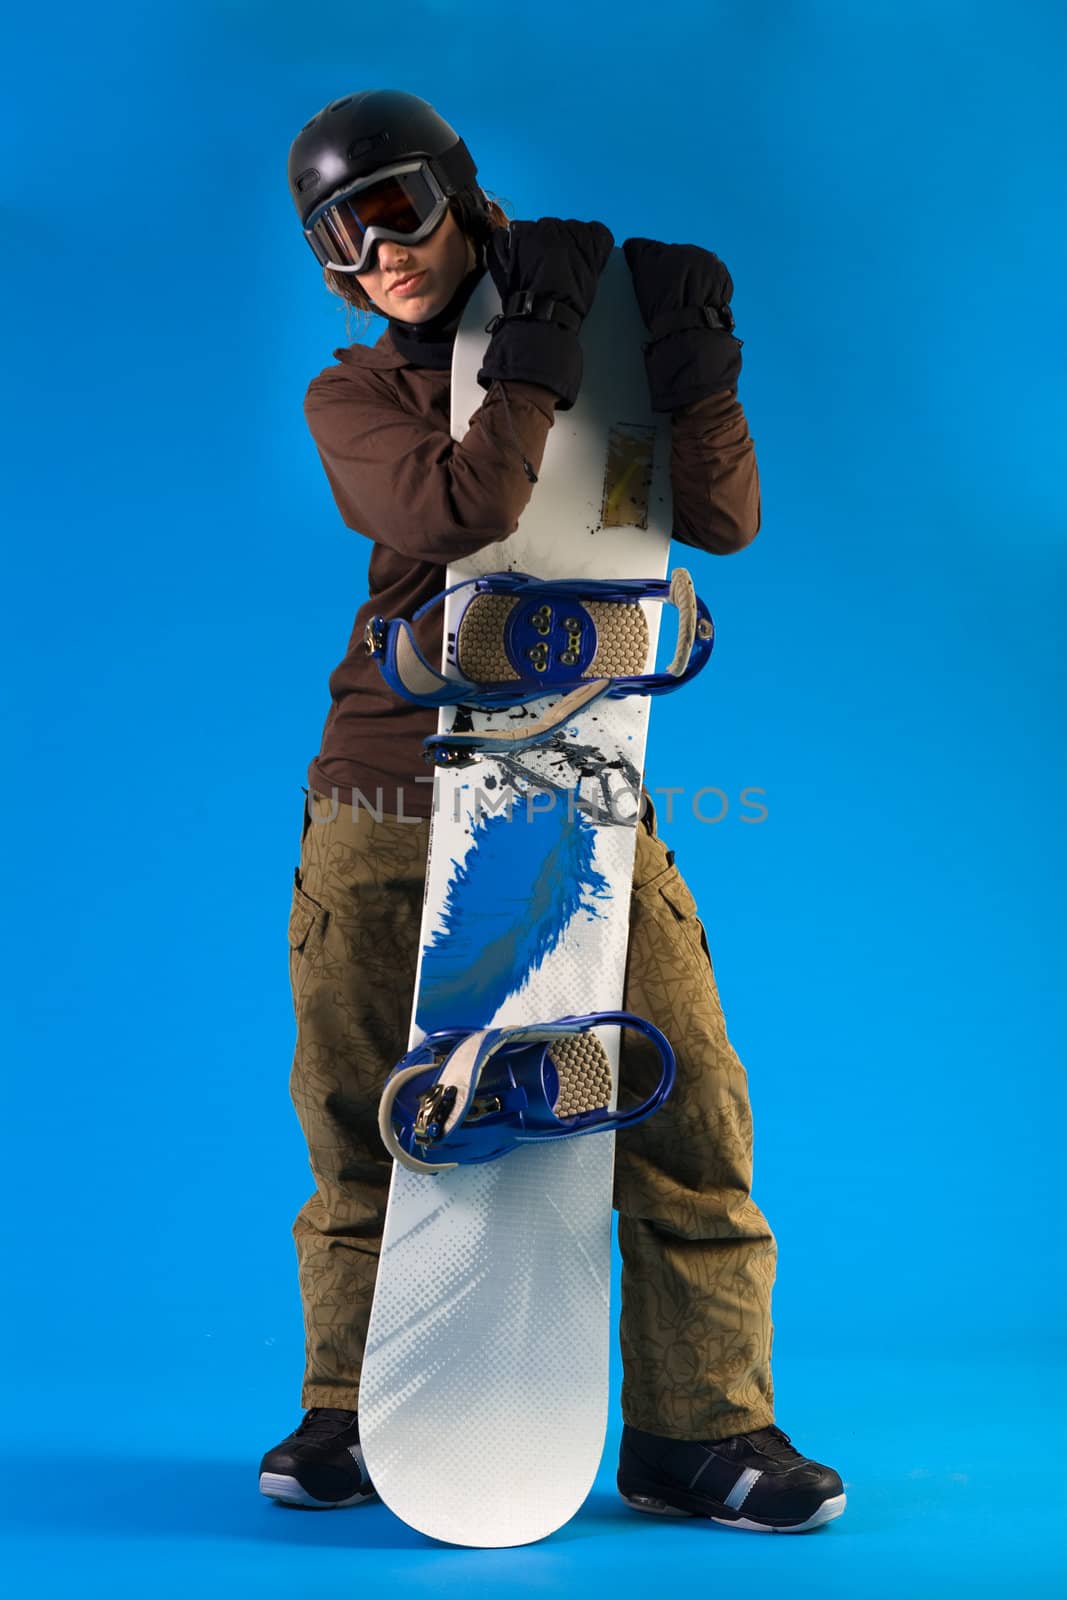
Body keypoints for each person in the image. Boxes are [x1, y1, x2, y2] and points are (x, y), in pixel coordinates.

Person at [260, 88, 845, 1534]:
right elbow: (466, 509)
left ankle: (698, 1430)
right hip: (389, 799)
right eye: (339, 234)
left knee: (684, 1103)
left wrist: (700, 379)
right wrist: (527, 353)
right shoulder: (358, 397)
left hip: (579, 790)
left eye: (395, 207)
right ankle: (355, 1405)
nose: (373, 251)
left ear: (460, 192)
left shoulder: (608, 368)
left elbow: (718, 523)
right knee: (369, 1120)